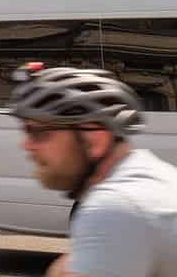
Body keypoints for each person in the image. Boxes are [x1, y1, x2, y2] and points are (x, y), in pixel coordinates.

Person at [12, 64, 177, 277]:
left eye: (37, 132)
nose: (26, 145)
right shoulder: (155, 175)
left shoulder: (113, 208)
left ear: (94, 139)